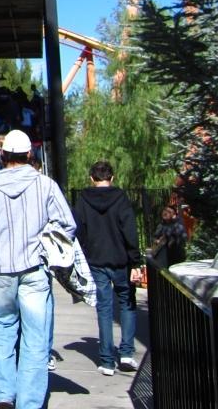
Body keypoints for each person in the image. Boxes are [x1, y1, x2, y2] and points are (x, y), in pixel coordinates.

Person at [0, 130, 76, 409]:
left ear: (3, 155)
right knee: (35, 337)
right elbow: (68, 225)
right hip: (35, 269)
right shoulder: (45, 185)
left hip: (3, 270)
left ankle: (4, 395)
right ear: (30, 154)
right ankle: (29, 402)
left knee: (3, 330)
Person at [73, 161, 144, 376]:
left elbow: (79, 231)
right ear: (112, 178)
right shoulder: (121, 198)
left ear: (91, 178)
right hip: (121, 260)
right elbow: (130, 230)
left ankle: (107, 361)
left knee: (104, 308)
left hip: (96, 260)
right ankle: (126, 353)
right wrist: (135, 261)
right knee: (127, 304)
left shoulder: (84, 199)